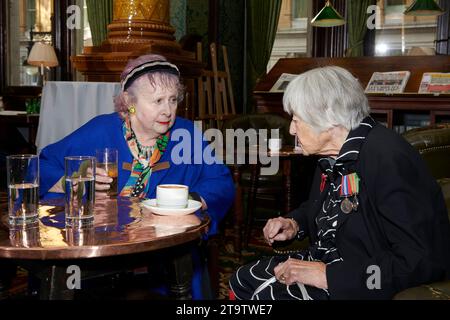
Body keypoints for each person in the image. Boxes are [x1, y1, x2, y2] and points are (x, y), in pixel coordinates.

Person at [229, 66, 450, 300]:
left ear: (329, 117)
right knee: (242, 279)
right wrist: (294, 223)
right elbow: (324, 206)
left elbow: (420, 261)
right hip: (328, 259)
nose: (292, 129)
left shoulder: (389, 159)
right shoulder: (332, 155)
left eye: (297, 119)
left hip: (360, 277)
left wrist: (328, 276)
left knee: (267, 298)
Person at [39, 54, 235, 299]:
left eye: (173, 100)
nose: (168, 110)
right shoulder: (100, 131)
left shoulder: (185, 134)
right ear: (129, 102)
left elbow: (221, 181)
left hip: (166, 248)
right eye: (157, 101)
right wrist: (74, 180)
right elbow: (41, 166)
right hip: (102, 251)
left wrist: (189, 201)